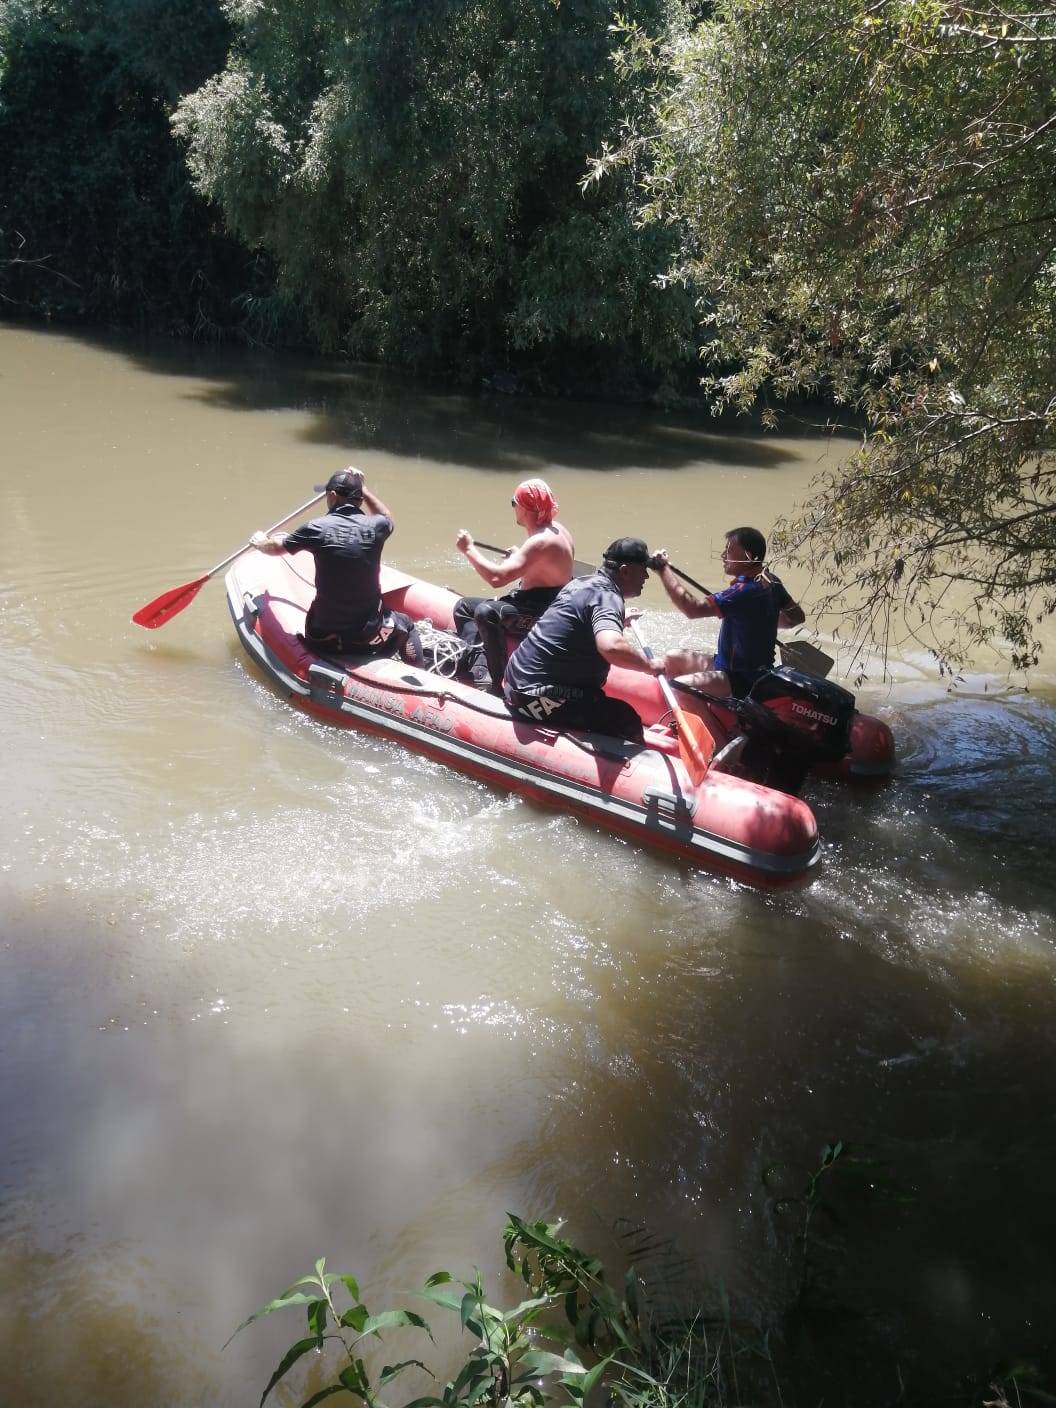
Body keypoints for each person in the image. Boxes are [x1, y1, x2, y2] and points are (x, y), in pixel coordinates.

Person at [250, 468, 423, 665]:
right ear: (359, 498)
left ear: (332, 496)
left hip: (322, 638)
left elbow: (274, 548)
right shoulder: (377, 527)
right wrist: (364, 488)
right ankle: (420, 675)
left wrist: (260, 541)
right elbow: (387, 517)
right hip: (366, 637)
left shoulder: (316, 527)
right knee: (406, 625)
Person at [502, 537, 665, 742]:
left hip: (515, 683)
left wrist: (617, 621)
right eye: (643, 569)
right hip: (535, 696)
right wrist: (649, 665)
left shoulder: (582, 582)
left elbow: (576, 622)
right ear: (625, 570)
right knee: (625, 718)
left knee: (599, 703)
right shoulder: (608, 597)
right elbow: (611, 647)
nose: (647, 577)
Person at [652, 526, 805, 698]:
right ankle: (691, 708)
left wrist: (663, 571)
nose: (723, 555)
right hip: (725, 665)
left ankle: (711, 724)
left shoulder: (743, 591)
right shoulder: (772, 581)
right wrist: (758, 620)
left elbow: (692, 609)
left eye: (729, 550)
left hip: (741, 679)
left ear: (747, 557)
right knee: (672, 657)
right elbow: (796, 617)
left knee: (679, 687)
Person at [452, 478, 575, 691]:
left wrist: (469, 549)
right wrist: (520, 556)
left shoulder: (540, 541)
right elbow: (544, 565)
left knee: (485, 612)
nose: (513, 507)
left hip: (541, 614)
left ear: (525, 509)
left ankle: (495, 681)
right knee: (464, 607)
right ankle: (479, 661)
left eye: (513, 502)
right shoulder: (556, 531)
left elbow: (496, 579)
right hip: (546, 602)